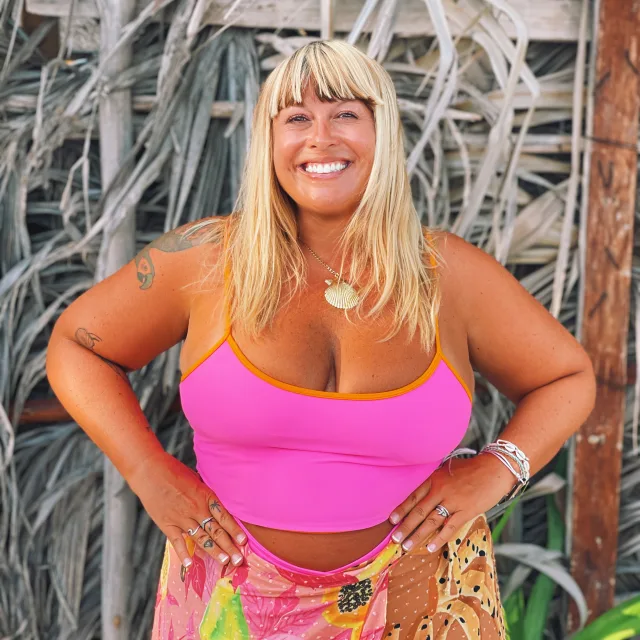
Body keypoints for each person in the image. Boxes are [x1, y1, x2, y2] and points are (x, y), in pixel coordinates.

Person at [46, 40, 596, 640]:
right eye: (297, 118)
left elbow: (567, 379)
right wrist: (148, 471)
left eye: (346, 115)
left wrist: (496, 470)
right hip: (232, 596)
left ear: (381, 133)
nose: (321, 138)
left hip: (420, 593)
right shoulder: (206, 259)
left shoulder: (450, 275)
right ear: (270, 139)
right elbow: (77, 344)